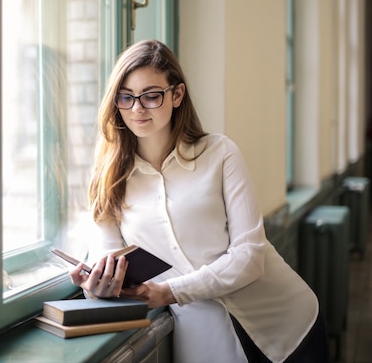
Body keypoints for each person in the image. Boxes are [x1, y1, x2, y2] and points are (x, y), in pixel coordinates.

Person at [68, 39, 330, 363]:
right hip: (208, 344)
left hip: (287, 324)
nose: (137, 108)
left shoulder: (220, 153)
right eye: (126, 97)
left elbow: (250, 255)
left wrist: (169, 292)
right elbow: (108, 261)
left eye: (151, 96)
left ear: (176, 95)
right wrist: (98, 288)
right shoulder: (109, 180)